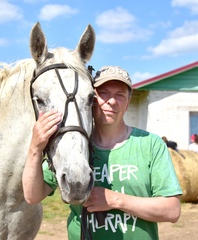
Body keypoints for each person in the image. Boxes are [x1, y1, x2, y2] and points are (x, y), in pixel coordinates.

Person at [22, 66, 182, 240]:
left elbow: (172, 210)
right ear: (91, 100)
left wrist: (114, 200)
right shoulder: (73, 146)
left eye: (120, 95)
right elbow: (32, 195)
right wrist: (35, 148)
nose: (112, 101)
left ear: (128, 103)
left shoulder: (150, 144)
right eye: (104, 93)